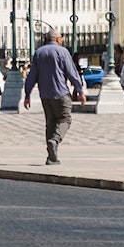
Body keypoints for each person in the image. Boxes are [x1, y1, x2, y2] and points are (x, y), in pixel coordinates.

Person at [23, 29, 86, 165]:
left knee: (50, 123)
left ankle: (51, 157)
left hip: (45, 95)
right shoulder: (63, 52)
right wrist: (80, 91)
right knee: (65, 119)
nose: (62, 40)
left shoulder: (39, 53)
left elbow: (31, 76)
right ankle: (55, 140)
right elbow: (72, 72)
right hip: (61, 93)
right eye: (61, 38)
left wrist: (27, 94)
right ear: (57, 39)